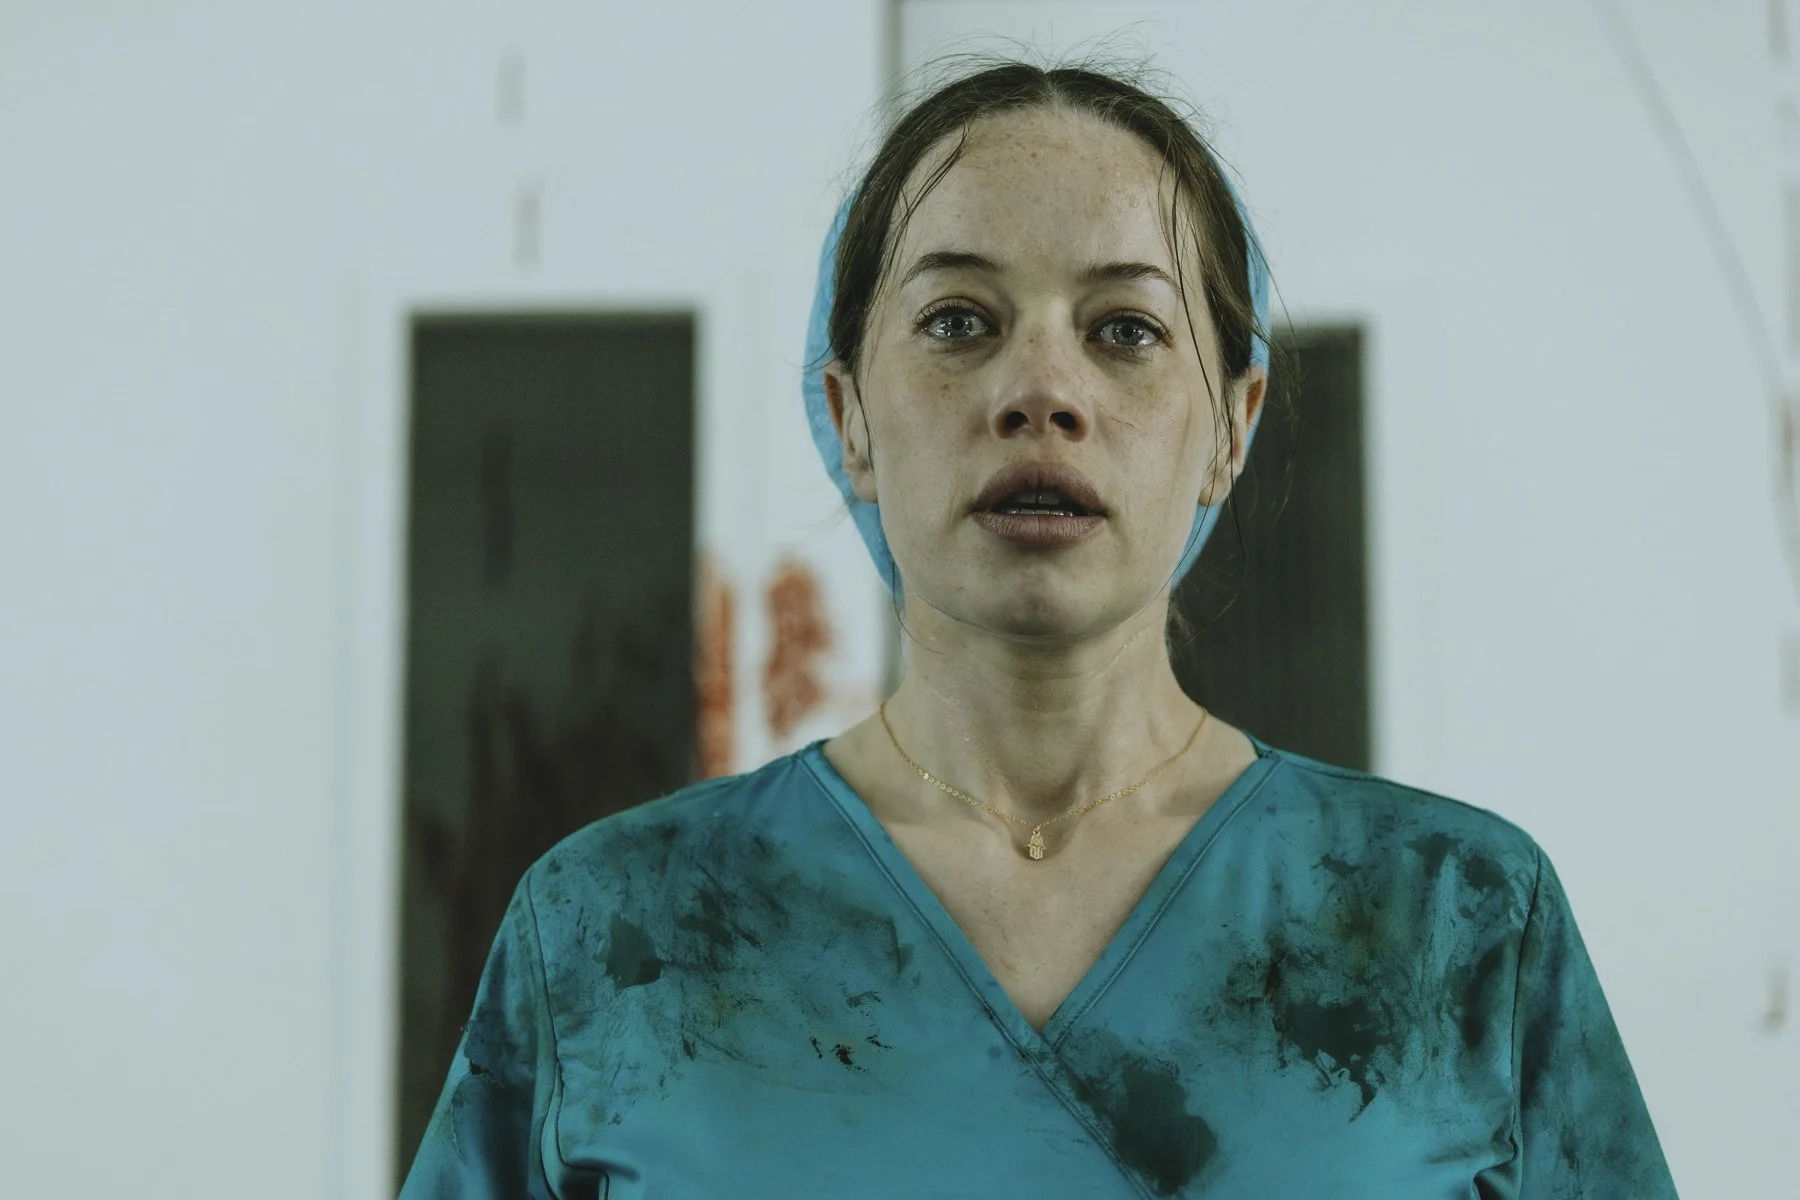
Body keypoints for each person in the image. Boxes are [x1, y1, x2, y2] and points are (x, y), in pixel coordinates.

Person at [399, 58, 1679, 1198]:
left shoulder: (1456, 919)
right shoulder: (615, 931)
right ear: (848, 416)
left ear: (1231, 428)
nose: (1042, 391)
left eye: (1126, 331)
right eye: (959, 322)